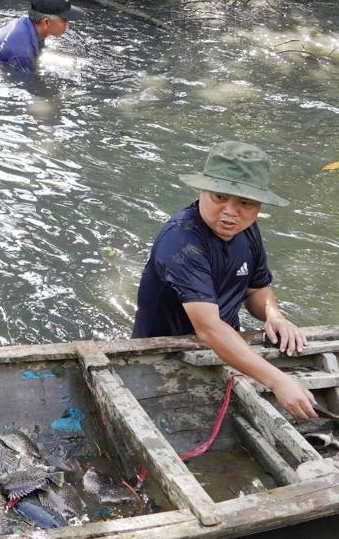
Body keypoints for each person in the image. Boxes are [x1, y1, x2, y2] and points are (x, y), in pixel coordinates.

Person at [132, 142, 319, 420]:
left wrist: (273, 314)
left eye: (245, 202)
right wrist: (278, 381)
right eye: (220, 197)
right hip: (164, 354)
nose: (231, 212)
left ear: (258, 206)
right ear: (201, 191)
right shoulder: (181, 241)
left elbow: (256, 286)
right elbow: (208, 328)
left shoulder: (248, 231)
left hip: (226, 349)